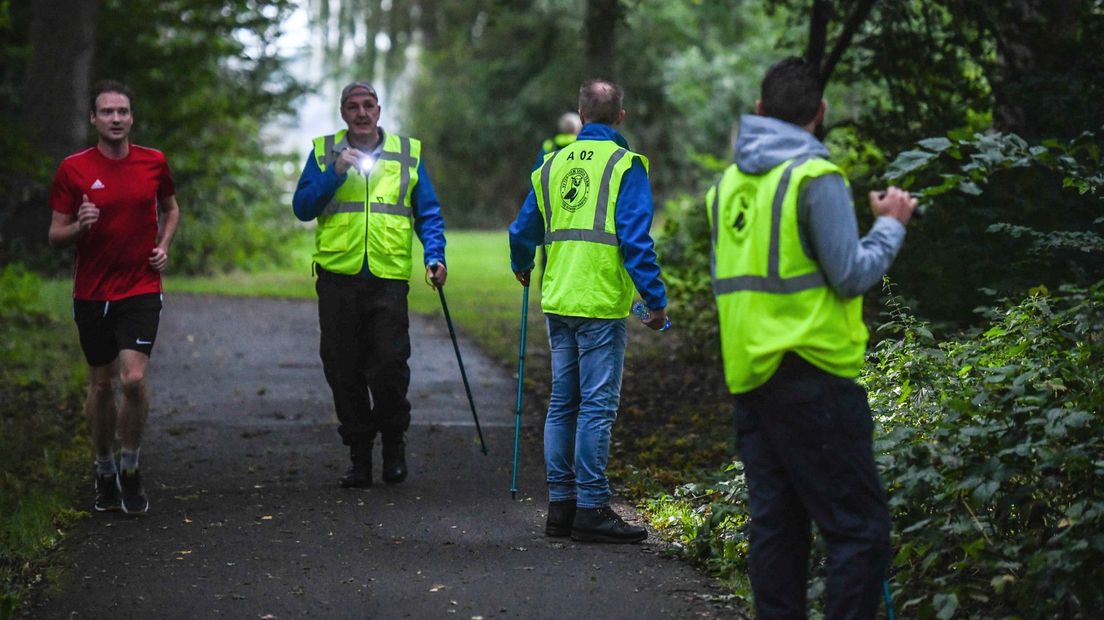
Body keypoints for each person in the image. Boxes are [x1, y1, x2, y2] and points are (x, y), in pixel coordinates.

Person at [707, 57, 917, 618]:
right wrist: (892, 224)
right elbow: (851, 274)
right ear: (820, 114)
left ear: (759, 110)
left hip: (750, 376)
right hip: (813, 375)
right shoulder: (815, 177)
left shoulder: (726, 188)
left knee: (778, 527)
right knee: (859, 530)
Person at [509, 79, 668, 544]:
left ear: (580, 117)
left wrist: (521, 265)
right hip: (599, 302)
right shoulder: (626, 165)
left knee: (563, 403)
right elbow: (636, 240)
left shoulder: (551, 164)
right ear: (621, 116)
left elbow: (522, 229)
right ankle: (592, 507)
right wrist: (655, 300)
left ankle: (560, 508)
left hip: (559, 299)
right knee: (596, 408)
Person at [292, 82, 447, 489]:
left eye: (368, 105)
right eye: (352, 107)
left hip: (387, 277)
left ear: (379, 110)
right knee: (343, 369)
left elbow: (427, 213)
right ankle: (359, 455)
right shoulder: (325, 152)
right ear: (343, 113)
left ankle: (393, 444)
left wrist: (435, 255)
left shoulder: (407, 153)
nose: (361, 113)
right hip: (338, 278)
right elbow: (303, 207)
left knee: (389, 365)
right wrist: (334, 173)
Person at [48, 80, 181, 516]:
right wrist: (81, 227)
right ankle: (103, 467)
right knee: (102, 384)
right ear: (93, 119)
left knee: (133, 380)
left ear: (132, 118)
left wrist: (163, 245)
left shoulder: (153, 162)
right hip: (92, 291)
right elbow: (55, 235)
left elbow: (171, 207)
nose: (116, 119)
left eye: (122, 111)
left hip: (141, 287)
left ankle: (130, 464)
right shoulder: (74, 169)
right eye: (107, 112)